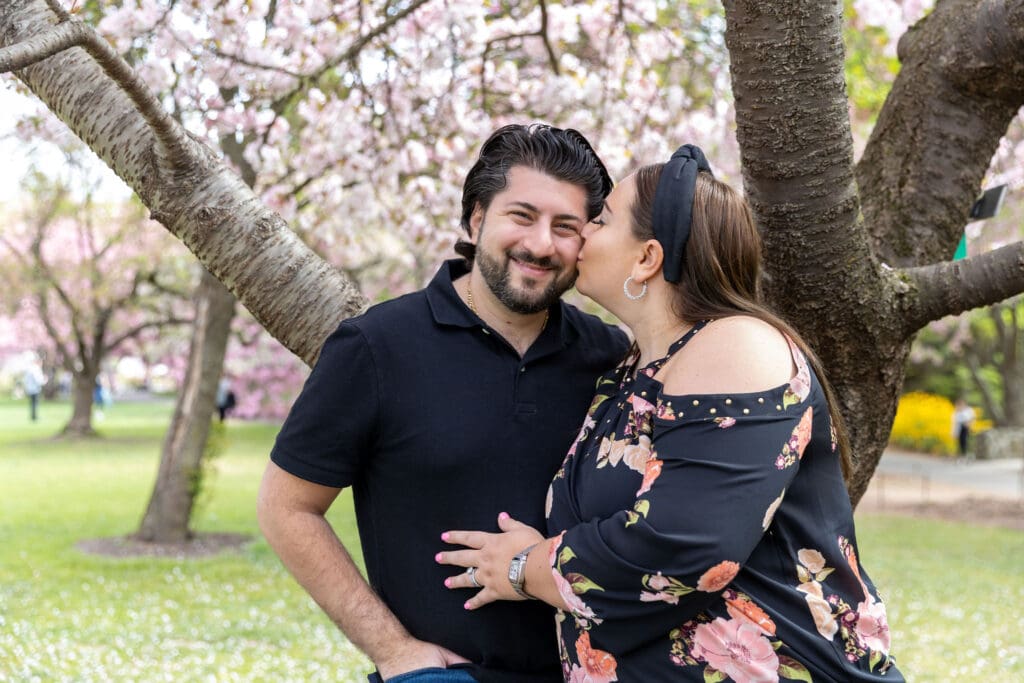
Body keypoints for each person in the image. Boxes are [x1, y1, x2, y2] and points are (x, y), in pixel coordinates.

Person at [438, 145, 903, 681]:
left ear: (647, 259)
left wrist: (525, 568)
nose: (583, 230)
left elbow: (682, 546)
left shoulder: (738, 346)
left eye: (603, 218)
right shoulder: (632, 370)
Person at [257, 124, 629, 683]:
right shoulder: (376, 347)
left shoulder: (613, 355)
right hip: (449, 675)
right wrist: (393, 649)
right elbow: (287, 507)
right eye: (521, 216)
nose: (541, 244)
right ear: (477, 219)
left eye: (566, 227)